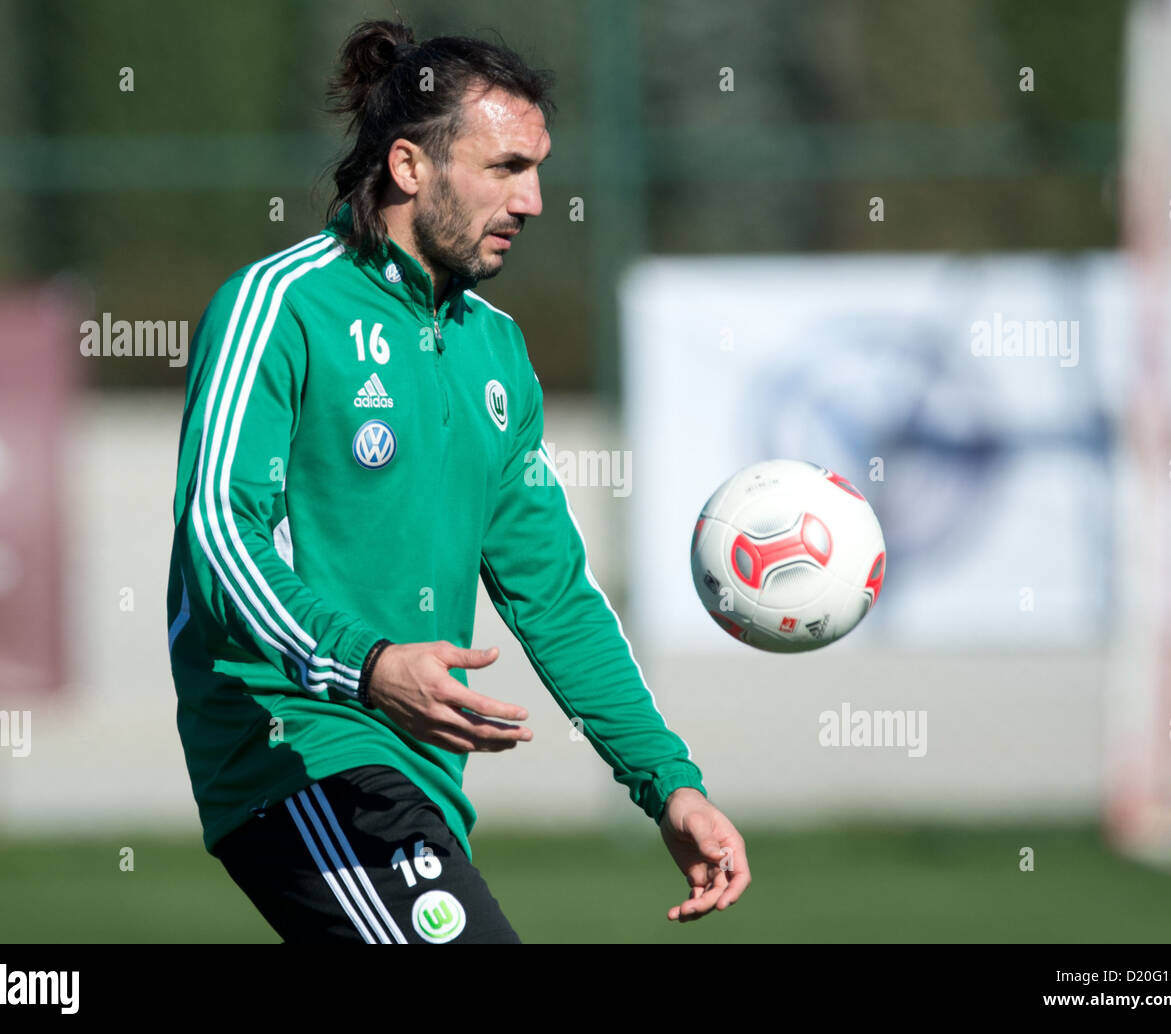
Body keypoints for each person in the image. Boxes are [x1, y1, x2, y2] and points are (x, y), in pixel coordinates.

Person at [165, 18, 750, 943]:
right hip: (297, 750)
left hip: (413, 781)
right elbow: (217, 531)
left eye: (538, 167)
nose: (537, 199)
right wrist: (365, 663)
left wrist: (668, 782)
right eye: (506, 168)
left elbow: (552, 593)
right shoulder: (279, 306)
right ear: (409, 167)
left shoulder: (495, 349)